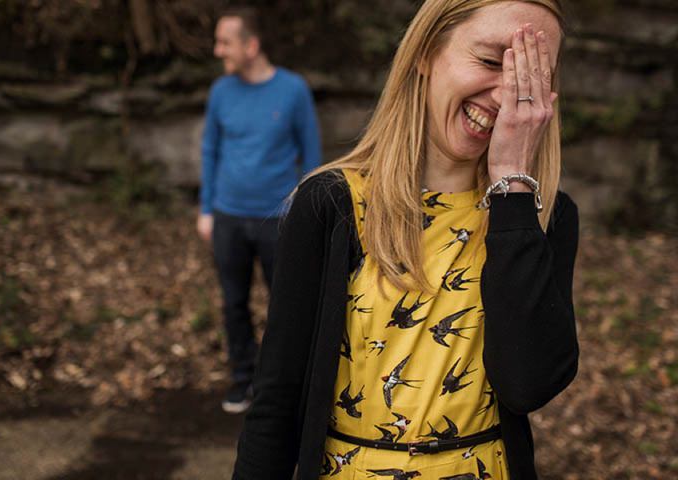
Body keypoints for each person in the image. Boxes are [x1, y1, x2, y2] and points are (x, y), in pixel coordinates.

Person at [233, 0, 578, 478]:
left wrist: (513, 188)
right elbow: (276, 402)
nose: (506, 95)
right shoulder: (331, 204)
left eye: (530, 76)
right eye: (490, 61)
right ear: (425, 52)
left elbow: (528, 384)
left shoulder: (542, 216)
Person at [197, 7, 322, 414]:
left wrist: (306, 213)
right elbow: (211, 150)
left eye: (225, 43)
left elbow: (313, 157)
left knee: (284, 304)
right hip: (228, 217)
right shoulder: (220, 92)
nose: (219, 51)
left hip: (277, 219)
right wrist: (206, 209)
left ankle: (283, 386)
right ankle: (242, 381)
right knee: (233, 303)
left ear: (251, 46)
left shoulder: (293, 90)